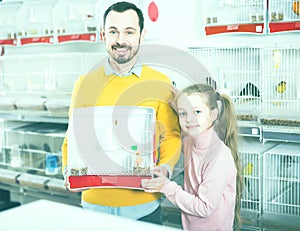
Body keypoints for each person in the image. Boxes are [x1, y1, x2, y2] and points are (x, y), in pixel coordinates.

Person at [61, 1, 182, 225]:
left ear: (142, 35)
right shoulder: (84, 83)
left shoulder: (161, 83)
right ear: (103, 34)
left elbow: (172, 135)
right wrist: (68, 169)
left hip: (143, 206)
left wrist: (165, 168)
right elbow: (72, 135)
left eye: (129, 32)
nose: (120, 40)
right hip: (93, 205)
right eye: (113, 31)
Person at [142, 83, 243, 231]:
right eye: (184, 113)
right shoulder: (190, 141)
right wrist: (180, 106)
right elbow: (179, 134)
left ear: (213, 114)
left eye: (197, 112)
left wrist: (166, 186)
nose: (189, 119)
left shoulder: (219, 157)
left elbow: (205, 207)